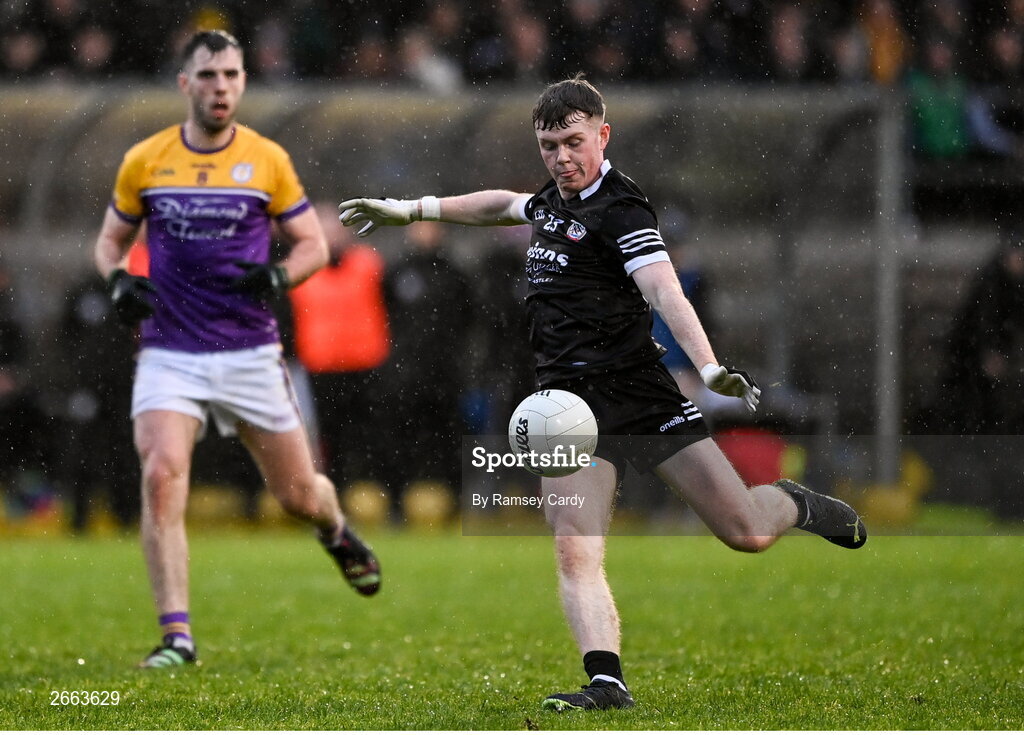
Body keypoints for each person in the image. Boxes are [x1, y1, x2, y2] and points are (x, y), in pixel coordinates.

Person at [339, 74, 867, 712]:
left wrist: (708, 367)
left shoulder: (621, 208)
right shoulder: (552, 199)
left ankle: (794, 505)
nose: (560, 157)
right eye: (547, 145)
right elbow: (501, 204)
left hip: (641, 399)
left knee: (746, 533)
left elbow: (665, 291)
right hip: (567, 406)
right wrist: (413, 209)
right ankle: (606, 682)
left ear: (603, 135)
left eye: (572, 142)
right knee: (572, 540)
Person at [92, 30, 380, 670]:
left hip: (250, 352)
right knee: (161, 476)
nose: (221, 86)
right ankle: (177, 637)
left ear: (243, 82)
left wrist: (280, 276)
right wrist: (117, 282)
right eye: (209, 75)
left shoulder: (267, 160)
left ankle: (334, 531)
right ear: (185, 84)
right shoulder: (146, 159)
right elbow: (108, 243)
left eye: (231, 74)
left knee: (298, 495)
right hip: (169, 351)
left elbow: (313, 245)